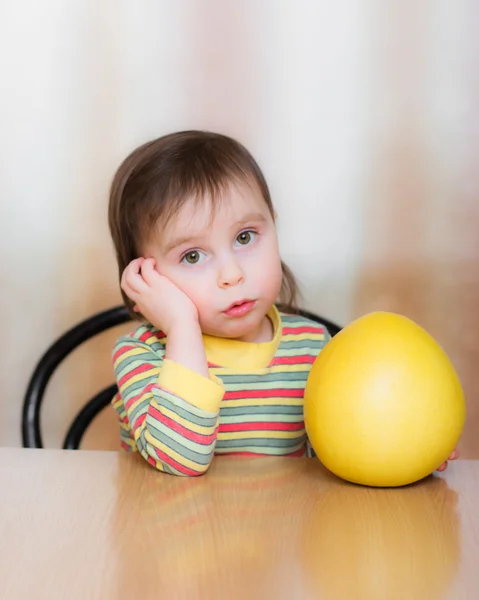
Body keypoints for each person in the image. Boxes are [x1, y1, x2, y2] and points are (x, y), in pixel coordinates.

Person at [108, 130, 458, 476]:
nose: (232, 274)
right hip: (174, 529)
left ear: (274, 228)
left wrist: (407, 447)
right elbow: (179, 461)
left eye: (245, 237)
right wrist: (182, 326)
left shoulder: (313, 348)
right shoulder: (143, 356)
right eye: (193, 256)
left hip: (286, 529)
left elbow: (342, 451)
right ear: (144, 279)